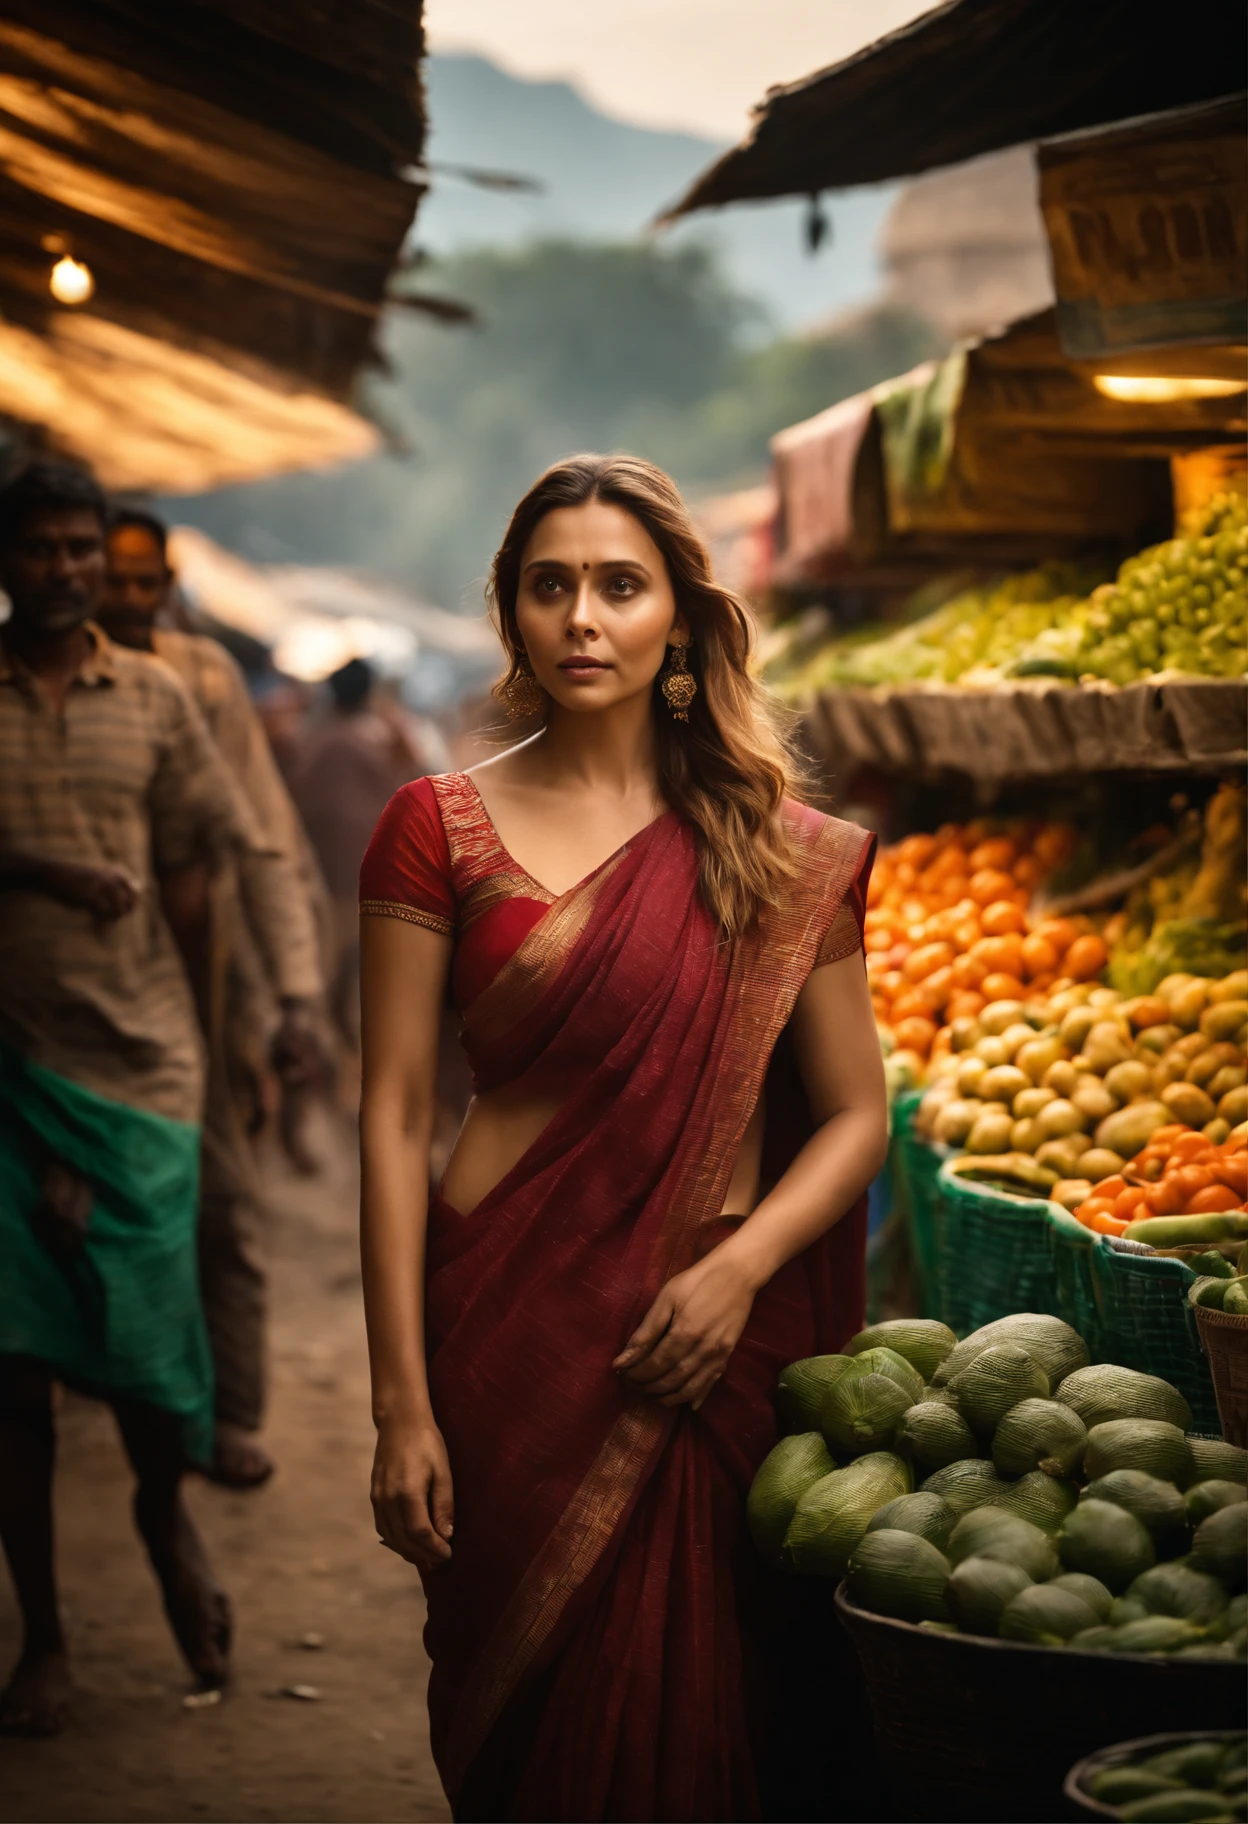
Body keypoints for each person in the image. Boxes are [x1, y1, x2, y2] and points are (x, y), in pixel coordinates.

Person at [357, 454, 888, 1821]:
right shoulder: (434, 830)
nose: (583, 616)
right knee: (529, 1723)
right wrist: (402, 1405)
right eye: (551, 586)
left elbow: (853, 1115)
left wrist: (736, 1271)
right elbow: (395, 1112)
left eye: (618, 584)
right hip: (510, 1341)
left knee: (719, 1723)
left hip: (706, 1345)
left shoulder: (780, 851)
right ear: (512, 616)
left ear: (680, 619)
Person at [0, 463, 259, 1733]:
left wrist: (218, 1054)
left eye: (78, 551)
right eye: (38, 549)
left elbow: (204, 871)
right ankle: (43, 1638)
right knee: (14, 1371)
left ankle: (167, 1526)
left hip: (147, 1077)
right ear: (5, 561)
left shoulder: (155, 696)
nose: (62, 570)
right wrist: (33, 867)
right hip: (8, 1079)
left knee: (155, 1368)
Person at [100, 510, 325, 1488]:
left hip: (202, 988)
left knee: (222, 1200)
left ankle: (233, 1407)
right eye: (112, 574)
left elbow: (263, 842)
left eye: (145, 579)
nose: (125, 595)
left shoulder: (197, 682)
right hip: (66, 995)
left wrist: (295, 996)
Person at [292, 656, 443, 1055]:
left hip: (322, 874)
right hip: (372, 874)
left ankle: (331, 1049)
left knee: (330, 968)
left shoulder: (312, 740)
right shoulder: (382, 738)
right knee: (359, 972)